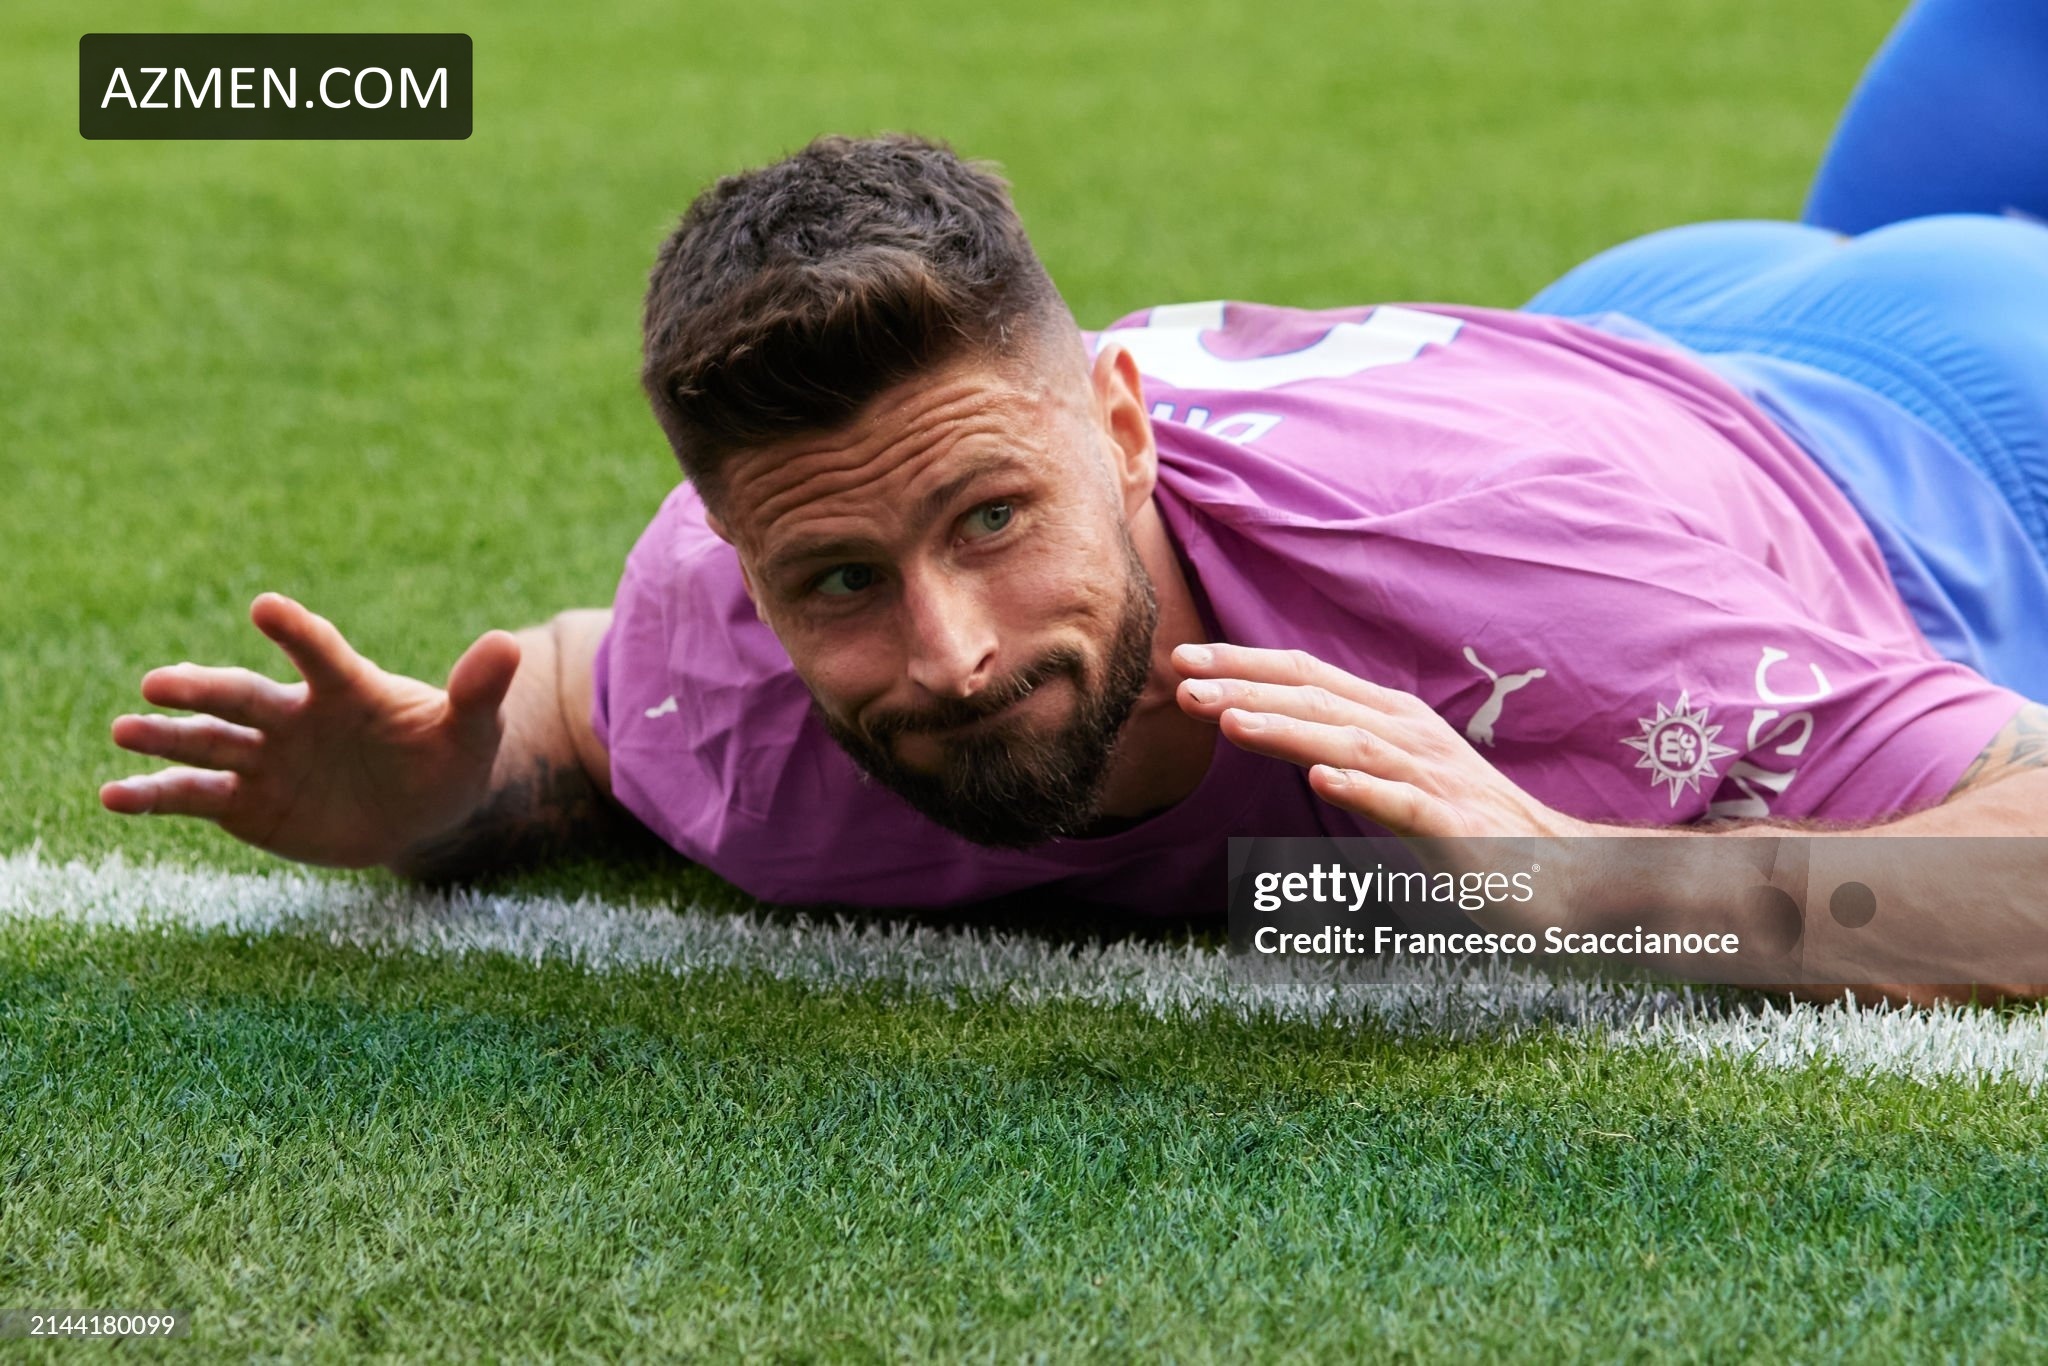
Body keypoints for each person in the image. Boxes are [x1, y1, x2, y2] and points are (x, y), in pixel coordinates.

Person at [100, 0, 2048, 993]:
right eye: (837, 579)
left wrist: (1595, 887)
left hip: (1962, 421)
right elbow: (567, 696)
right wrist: (437, 799)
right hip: (1612, 333)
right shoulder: (728, 662)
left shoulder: (1538, 633)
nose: (947, 654)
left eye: (991, 520)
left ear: (1121, 425)